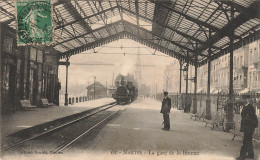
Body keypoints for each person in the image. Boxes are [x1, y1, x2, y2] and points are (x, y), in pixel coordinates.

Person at [236, 95, 258, 160]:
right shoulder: (246, 106)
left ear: (248, 100)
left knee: (245, 141)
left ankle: (242, 156)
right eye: (243, 99)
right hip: (248, 127)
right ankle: (251, 155)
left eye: (245, 99)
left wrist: (245, 119)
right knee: (249, 141)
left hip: (249, 127)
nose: (243, 100)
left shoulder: (250, 107)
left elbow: (250, 117)